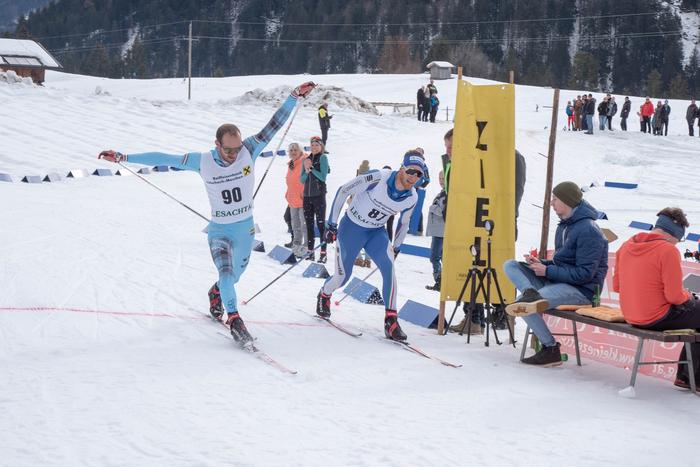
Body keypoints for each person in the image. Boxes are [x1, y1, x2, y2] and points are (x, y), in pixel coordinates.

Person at [97, 81, 316, 347]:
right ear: (217, 144)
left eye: (237, 149)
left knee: (234, 277)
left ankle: (216, 293)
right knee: (226, 274)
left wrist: (294, 97)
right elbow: (165, 158)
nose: (234, 155)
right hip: (220, 231)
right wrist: (124, 156)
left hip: (245, 229)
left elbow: (274, 124)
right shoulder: (203, 161)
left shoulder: (249, 149)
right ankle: (234, 319)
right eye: (228, 150)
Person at [316, 152, 426, 341]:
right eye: (410, 171)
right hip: (351, 229)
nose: (413, 177)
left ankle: (391, 320)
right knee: (342, 277)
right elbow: (344, 190)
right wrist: (331, 224)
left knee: (389, 269)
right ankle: (324, 294)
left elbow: (404, 222)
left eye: (418, 174)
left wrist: (397, 246)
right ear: (401, 168)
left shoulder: (412, 197)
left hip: (376, 233)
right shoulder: (379, 177)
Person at [504, 181, 608, 366]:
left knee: (524, 304)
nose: (551, 202)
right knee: (511, 265)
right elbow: (563, 262)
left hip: (581, 291)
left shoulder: (589, 230)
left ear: (567, 201)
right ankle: (530, 292)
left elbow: (585, 274)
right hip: (557, 282)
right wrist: (541, 264)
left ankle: (550, 349)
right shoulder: (565, 226)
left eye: (555, 199)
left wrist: (547, 270)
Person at [613, 208, 699, 390]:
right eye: (679, 239)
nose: (678, 244)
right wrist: (689, 297)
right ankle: (691, 378)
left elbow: (617, 287)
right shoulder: (667, 251)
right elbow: (675, 296)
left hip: (631, 315)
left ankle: (687, 377)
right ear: (674, 234)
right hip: (655, 317)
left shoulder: (626, 245)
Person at [301, 135, 330, 263]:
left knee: (320, 224)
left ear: (321, 146)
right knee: (309, 225)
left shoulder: (323, 157)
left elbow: (323, 177)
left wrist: (311, 169)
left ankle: (323, 253)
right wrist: (306, 171)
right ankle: (310, 252)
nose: (314, 147)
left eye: (317, 145)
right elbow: (301, 180)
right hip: (307, 197)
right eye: (312, 145)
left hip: (318, 196)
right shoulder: (306, 159)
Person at [285, 142, 308, 259]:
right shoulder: (291, 164)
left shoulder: (305, 161)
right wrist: (288, 194)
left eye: (295, 150)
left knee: (304, 225)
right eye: (291, 150)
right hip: (293, 199)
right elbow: (290, 181)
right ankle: (296, 245)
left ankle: (306, 248)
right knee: (295, 225)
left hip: (303, 199)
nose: (293, 152)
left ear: (300, 151)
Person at [426, 171, 446, 291]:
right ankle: (441, 281)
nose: (441, 180)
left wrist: (432, 207)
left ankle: (439, 281)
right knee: (441, 257)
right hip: (439, 230)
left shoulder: (445, 194)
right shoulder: (443, 193)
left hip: (440, 231)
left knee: (434, 257)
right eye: (439, 178)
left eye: (443, 178)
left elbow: (443, 211)